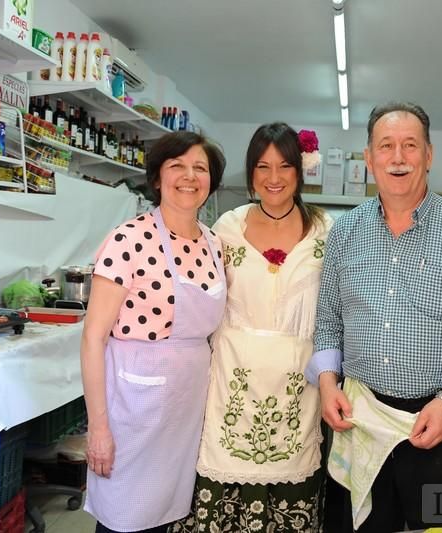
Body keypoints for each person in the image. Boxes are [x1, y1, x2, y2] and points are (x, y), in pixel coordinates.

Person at [306, 102, 442, 533]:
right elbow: (328, 320)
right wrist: (328, 382)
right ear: (369, 158)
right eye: (386, 146)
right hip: (361, 421)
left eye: (410, 145)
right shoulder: (345, 233)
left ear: (429, 155)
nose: (398, 157)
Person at [172, 123, 333, 533]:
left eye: (284, 166)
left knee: (290, 496)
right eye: (262, 167)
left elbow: (337, 310)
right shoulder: (226, 227)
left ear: (301, 170)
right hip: (232, 382)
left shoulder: (327, 231)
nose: (273, 178)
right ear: (250, 173)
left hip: (299, 382)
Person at [81, 131, 227, 533]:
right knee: (124, 518)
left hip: (186, 407)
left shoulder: (215, 245)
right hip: (133, 406)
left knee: (167, 519)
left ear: (211, 181)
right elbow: (93, 338)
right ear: (158, 178)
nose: (189, 176)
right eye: (177, 166)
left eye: (200, 168)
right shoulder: (128, 240)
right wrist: (98, 428)